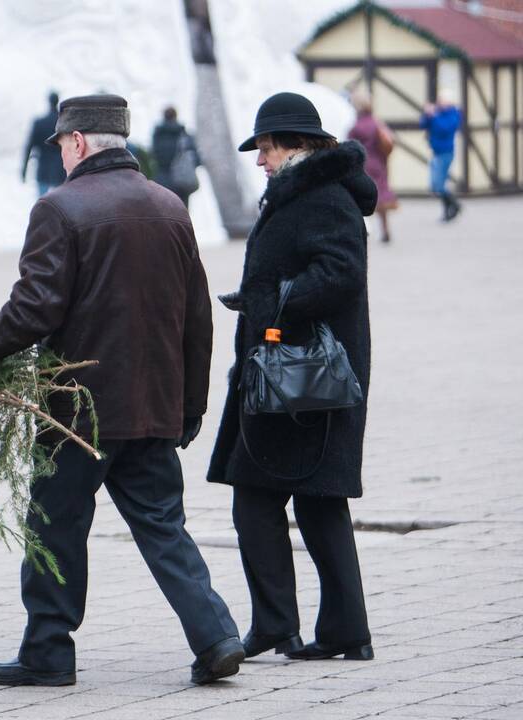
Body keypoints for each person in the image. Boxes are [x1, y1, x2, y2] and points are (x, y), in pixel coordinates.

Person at [0, 94, 243, 687]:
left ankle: (48, 651)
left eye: (61, 145)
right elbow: (197, 317)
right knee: (163, 526)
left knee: (55, 525)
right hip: (152, 408)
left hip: (79, 413)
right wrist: (190, 405)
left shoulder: (60, 207)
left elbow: (33, 309)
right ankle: (216, 636)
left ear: (75, 142)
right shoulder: (170, 207)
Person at [208, 92, 376, 663]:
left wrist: (270, 298)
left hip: (302, 379)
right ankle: (343, 631)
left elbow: (340, 274)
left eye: (267, 147)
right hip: (300, 377)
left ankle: (280, 625)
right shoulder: (305, 192)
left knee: (258, 499)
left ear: (297, 144)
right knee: (317, 501)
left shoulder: (322, 197)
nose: (260, 159)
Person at [348, 89, 398, 243]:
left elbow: (350, 145)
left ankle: (360, 230)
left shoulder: (356, 126)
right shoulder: (376, 123)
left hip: (363, 163)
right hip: (379, 162)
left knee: (359, 197)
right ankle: (385, 230)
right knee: (380, 195)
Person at [420, 91, 462, 222]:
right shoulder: (437, 113)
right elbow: (423, 124)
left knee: (439, 184)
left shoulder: (453, 114)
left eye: (442, 100)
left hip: (446, 153)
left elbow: (445, 129)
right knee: (436, 184)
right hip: (436, 152)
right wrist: (427, 114)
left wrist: (433, 116)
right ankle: (450, 209)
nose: (439, 103)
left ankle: (454, 205)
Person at [151, 106, 201, 208]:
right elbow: (197, 160)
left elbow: (153, 156)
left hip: (161, 182)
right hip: (181, 182)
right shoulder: (184, 135)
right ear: (176, 116)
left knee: (165, 214)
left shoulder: (158, 135)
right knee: (182, 216)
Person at [21, 91, 66, 196]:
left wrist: (24, 170)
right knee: (61, 207)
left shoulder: (39, 123)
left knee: (42, 206)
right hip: (61, 171)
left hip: (43, 170)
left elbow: (29, 147)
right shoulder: (64, 123)